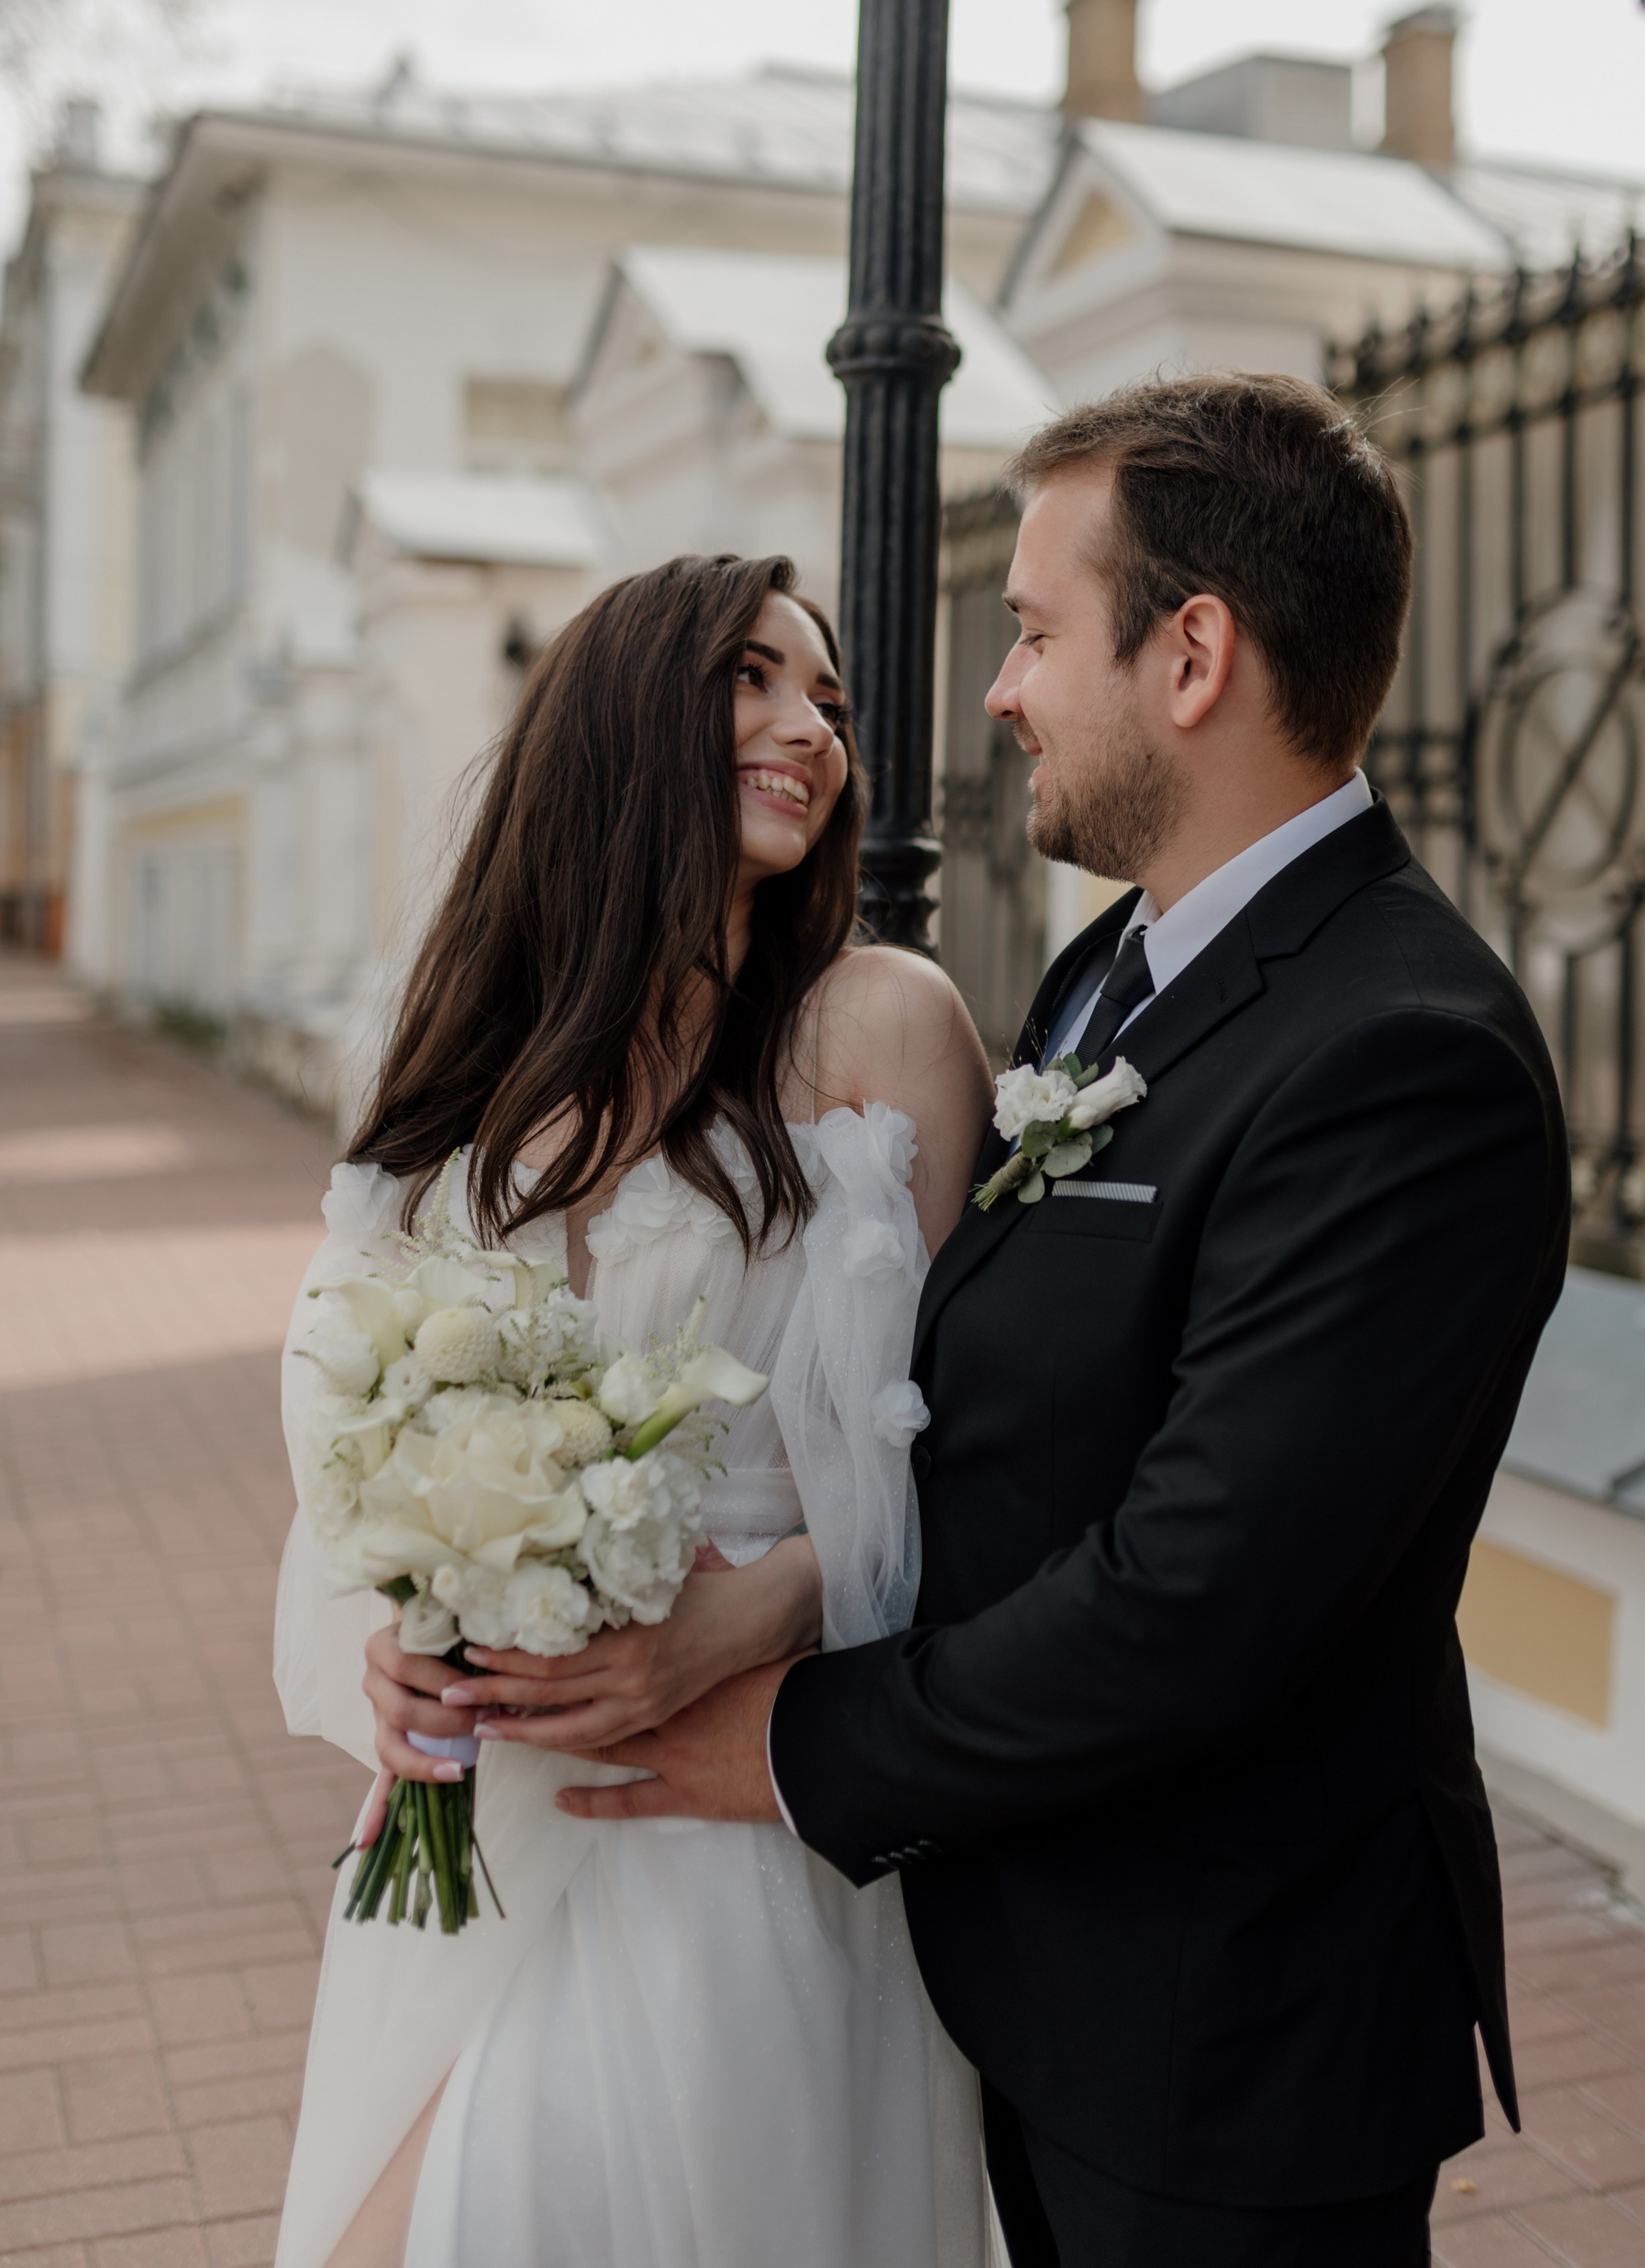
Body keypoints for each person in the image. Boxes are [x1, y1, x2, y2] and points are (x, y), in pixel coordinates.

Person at [578, 375, 1573, 2268]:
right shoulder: (1114, 971)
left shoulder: (1402, 1058)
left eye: (1035, 631)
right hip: (1045, 1960)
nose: (998, 688)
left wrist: (793, 1745)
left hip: (1230, 2029)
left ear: (1192, 655)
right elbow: (992, 1413)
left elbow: (1199, 1592)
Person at [270, 553, 995, 2268]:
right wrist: (403, 1622)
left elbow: (977, 1435)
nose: (804, 726)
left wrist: (772, 1598)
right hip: (500, 1795)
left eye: (824, 697)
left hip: (737, 1784)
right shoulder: (474, 1050)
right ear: (624, 717)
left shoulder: (883, 1027)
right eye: (751, 677)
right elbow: (352, 1380)